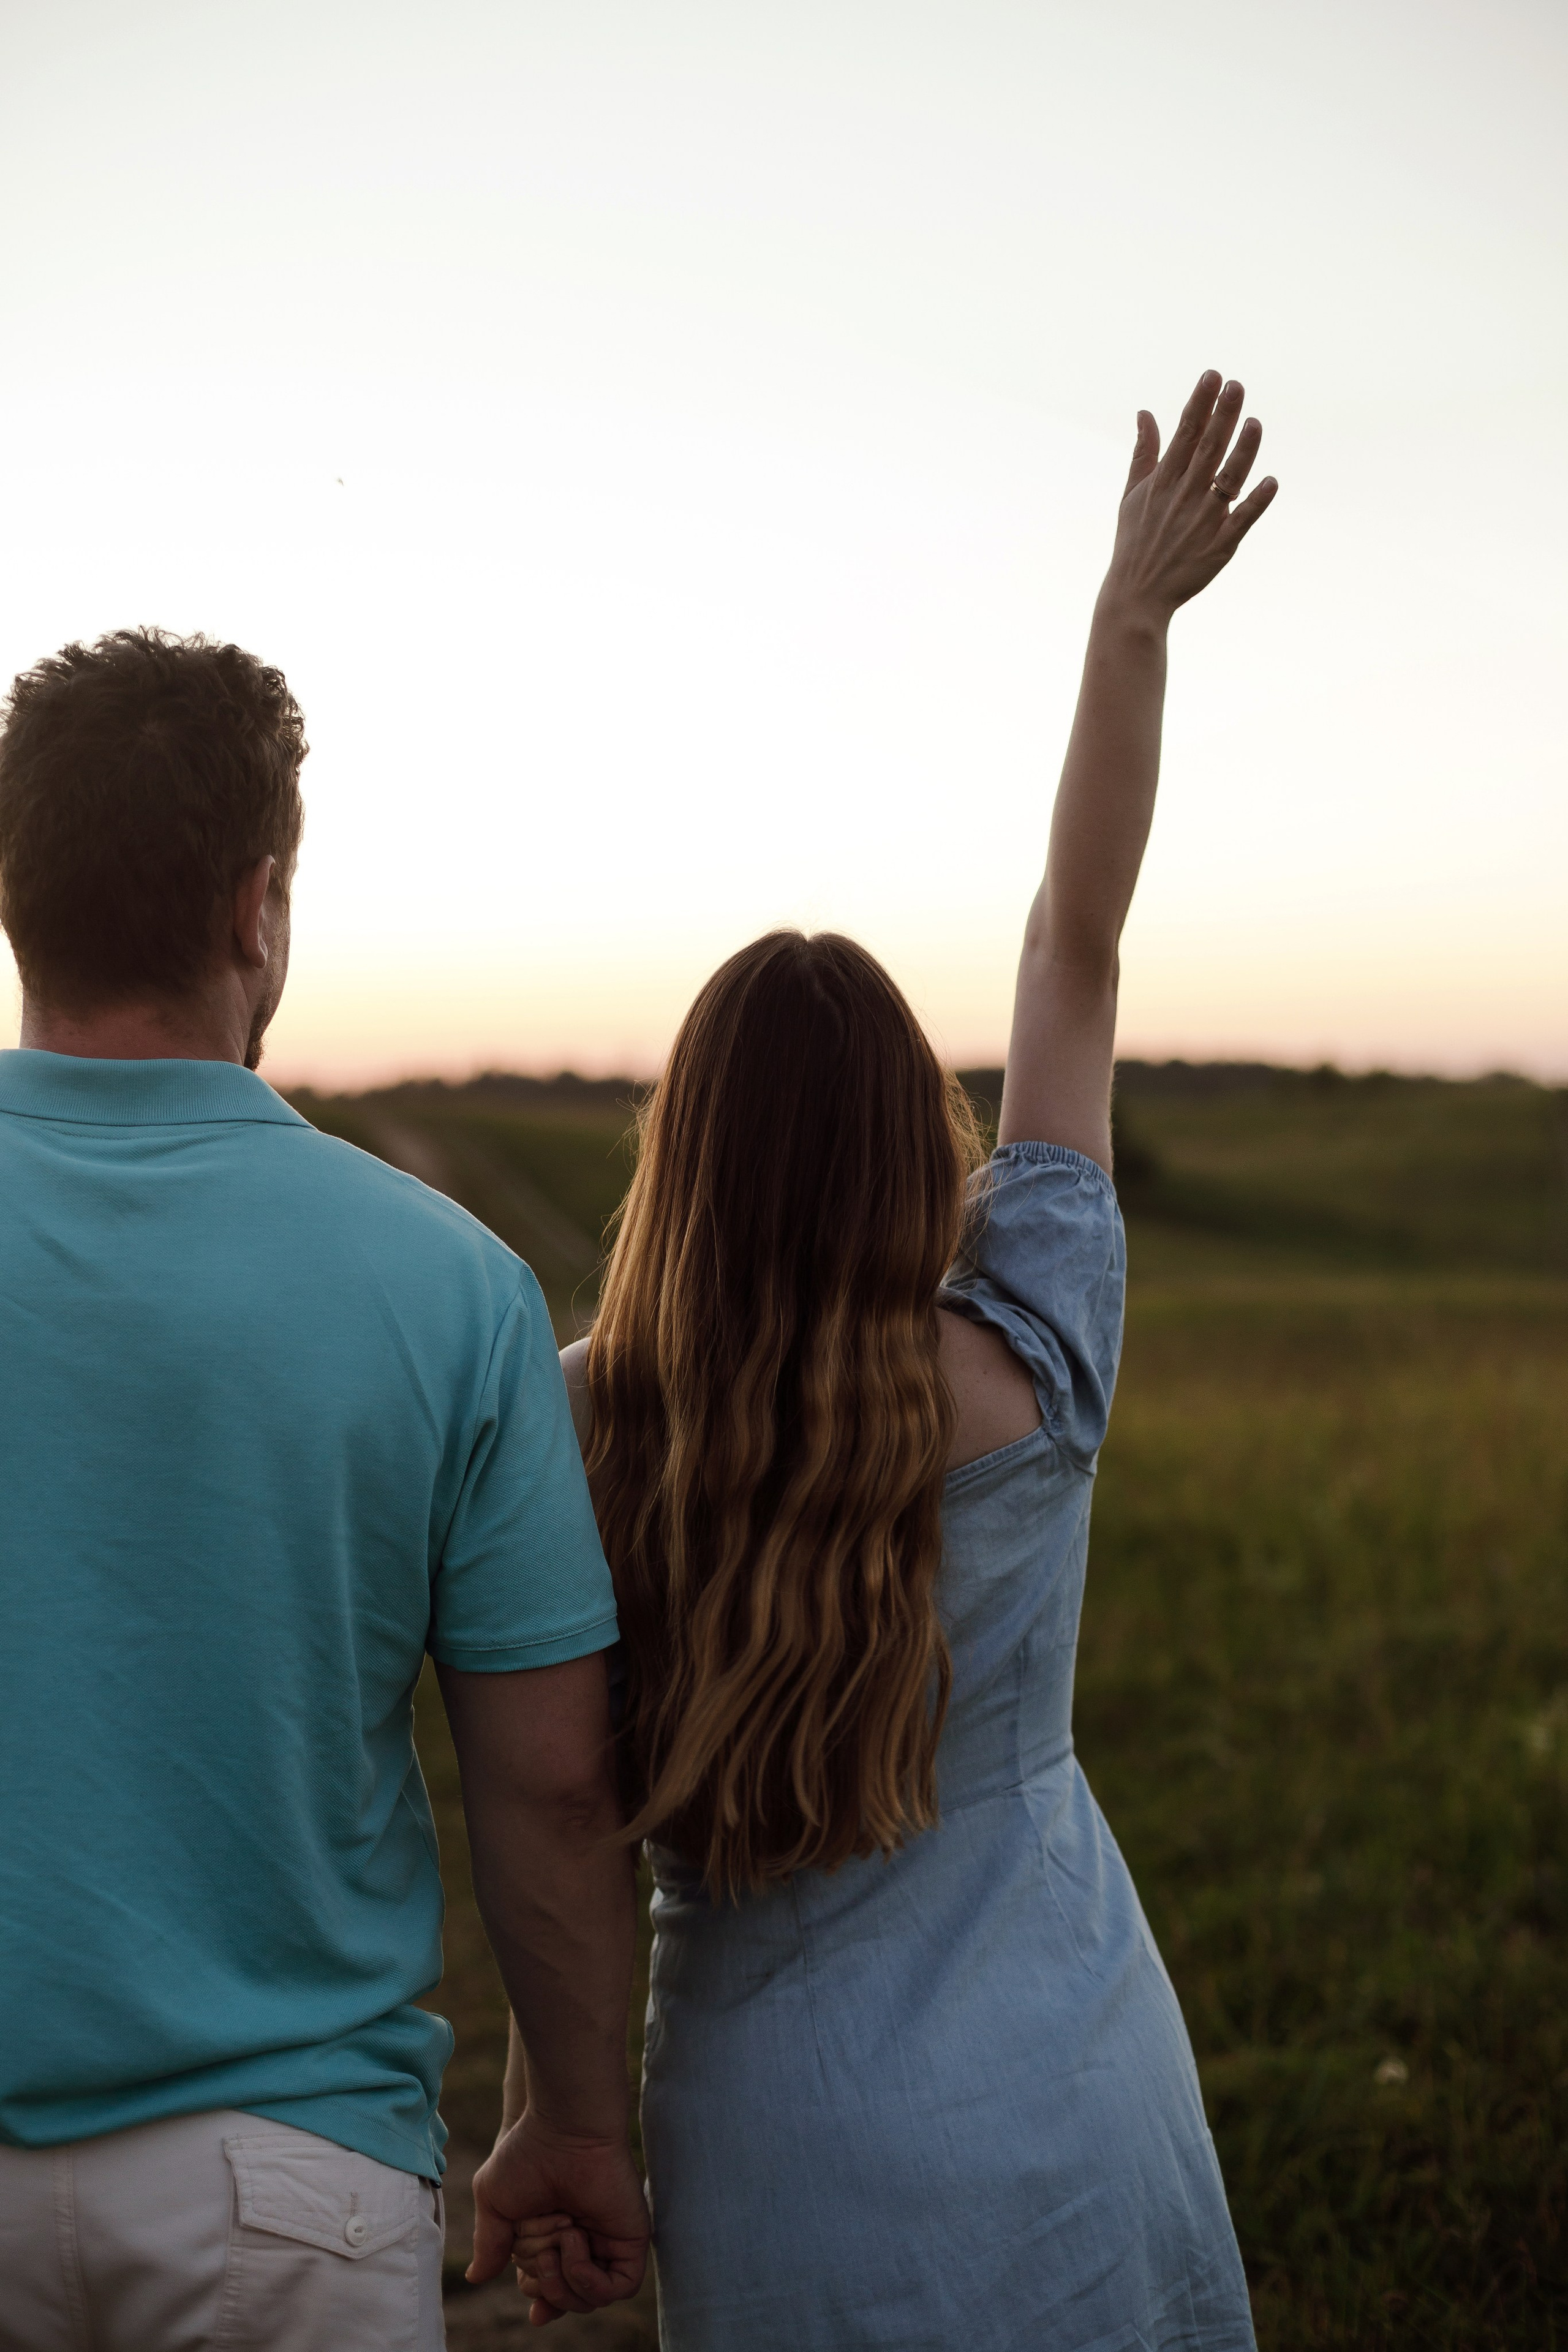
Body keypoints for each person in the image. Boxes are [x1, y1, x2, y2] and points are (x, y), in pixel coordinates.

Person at [502, 371, 1276, 2346]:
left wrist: (552, 2118)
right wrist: (1125, 628)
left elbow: (561, 1819)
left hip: (773, 2162)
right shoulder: (1032, 1345)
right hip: (1073, 2108)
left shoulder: (580, 1422)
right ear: (905, 1151)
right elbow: (1074, 953)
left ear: (678, 1159)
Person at [0, 631, 648, 2350]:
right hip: (288, 2203)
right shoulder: (451, 1286)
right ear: (258, 906)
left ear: (18, 897)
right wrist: (576, 2123)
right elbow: (555, 1784)